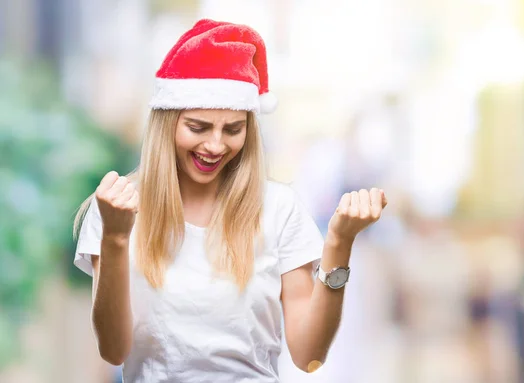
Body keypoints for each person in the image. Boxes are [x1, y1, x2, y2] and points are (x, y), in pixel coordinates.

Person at [72, 19, 387, 383]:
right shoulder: (119, 209)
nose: (216, 145)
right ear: (167, 123)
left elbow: (309, 356)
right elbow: (113, 349)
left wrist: (339, 242)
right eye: (198, 127)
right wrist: (114, 238)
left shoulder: (279, 209)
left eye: (233, 130)